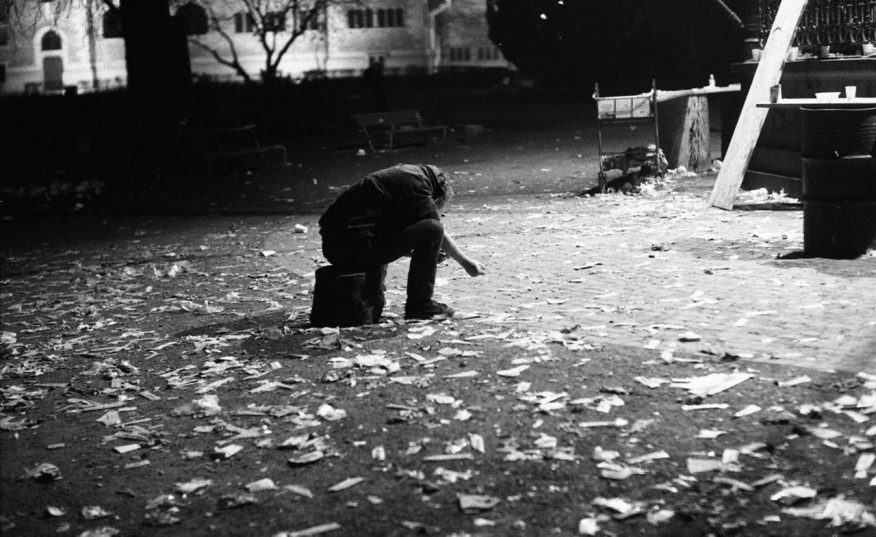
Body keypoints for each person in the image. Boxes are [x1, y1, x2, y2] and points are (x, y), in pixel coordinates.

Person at [318, 164, 485, 320]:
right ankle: (420, 305)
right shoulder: (418, 186)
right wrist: (465, 262)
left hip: (338, 246)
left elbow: (388, 235)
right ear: (437, 194)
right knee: (433, 229)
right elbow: (435, 228)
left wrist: (418, 253)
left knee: (427, 230)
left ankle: (412, 303)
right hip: (352, 247)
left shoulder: (404, 177)